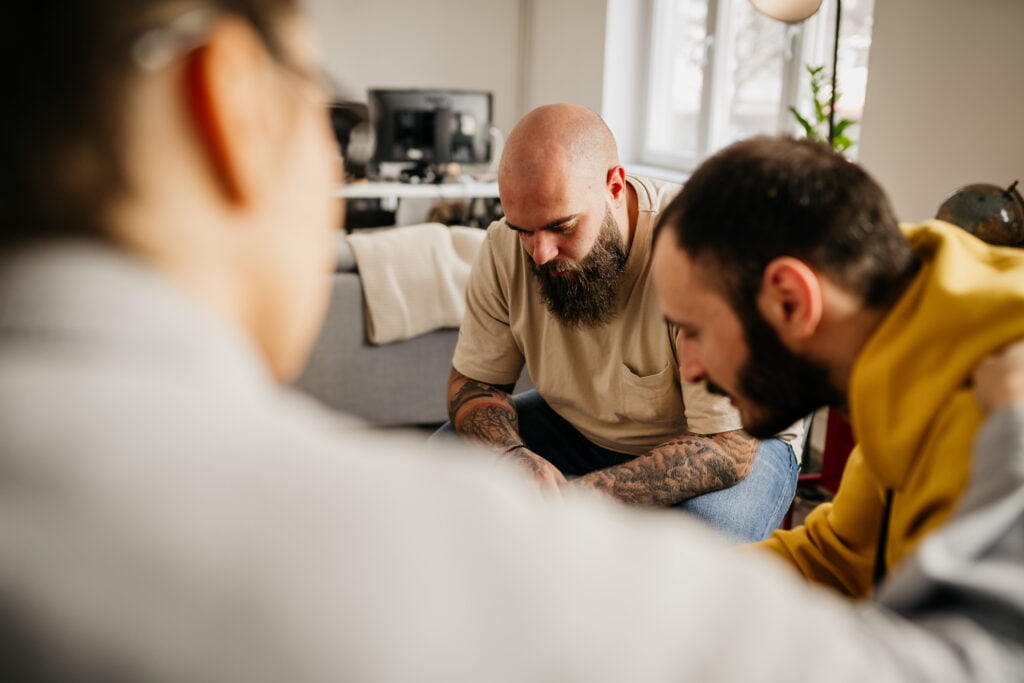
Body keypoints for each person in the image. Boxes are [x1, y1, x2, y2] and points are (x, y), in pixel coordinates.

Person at [4, 2, 1024, 680]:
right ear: (229, 102)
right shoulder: (379, 540)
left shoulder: (708, 255)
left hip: (693, 459)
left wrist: (572, 515)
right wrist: (517, 475)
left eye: (558, 228)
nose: (530, 252)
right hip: (577, 450)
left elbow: (753, 461)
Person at [651, 134, 1024, 597]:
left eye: (695, 331)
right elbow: (838, 558)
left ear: (790, 302)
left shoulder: (987, 407)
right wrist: (660, 590)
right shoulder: (905, 341)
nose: (688, 367)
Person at [439, 104, 803, 542]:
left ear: (614, 186)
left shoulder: (702, 251)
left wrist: (580, 498)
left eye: (562, 226)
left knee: (690, 550)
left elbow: (729, 450)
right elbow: (474, 385)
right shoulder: (504, 246)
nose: (540, 253)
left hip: (733, 439)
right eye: (524, 230)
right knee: (440, 464)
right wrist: (511, 455)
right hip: (580, 425)